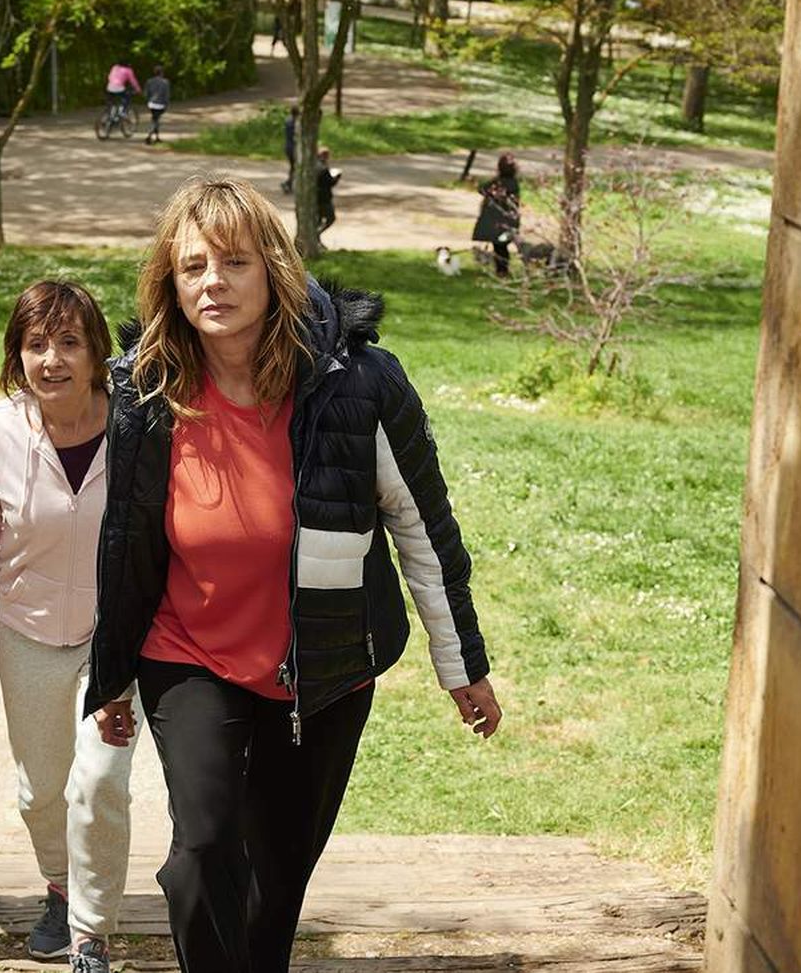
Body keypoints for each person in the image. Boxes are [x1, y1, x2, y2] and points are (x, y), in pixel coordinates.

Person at [84, 175, 502, 973]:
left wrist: (463, 667)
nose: (214, 282)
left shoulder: (359, 384)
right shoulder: (148, 388)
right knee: (203, 850)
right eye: (193, 266)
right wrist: (112, 675)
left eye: (234, 262)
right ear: (170, 282)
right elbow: (124, 542)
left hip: (323, 665)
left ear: (274, 268)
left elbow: (422, 525)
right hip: (189, 654)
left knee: (275, 885)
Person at [0, 281, 135, 973]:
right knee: (42, 792)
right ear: (16, 355)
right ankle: (59, 883)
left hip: (112, 644)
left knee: (103, 779)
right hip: (25, 636)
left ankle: (90, 930)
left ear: (95, 354)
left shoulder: (132, 427)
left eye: (68, 342)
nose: (51, 359)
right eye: (35, 344)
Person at [472, 152, 522, 277]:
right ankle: (502, 269)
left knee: (499, 247)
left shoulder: (497, 182)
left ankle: (501, 270)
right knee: (502, 246)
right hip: (506, 221)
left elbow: (481, 189)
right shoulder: (513, 183)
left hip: (495, 221)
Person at [315, 146, 341, 244]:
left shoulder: (313, 165)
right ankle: (317, 235)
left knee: (318, 221)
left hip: (315, 199)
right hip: (324, 199)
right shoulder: (323, 169)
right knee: (331, 218)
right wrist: (337, 177)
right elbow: (329, 183)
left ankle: (317, 240)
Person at [143, 66, 171, 146]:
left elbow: (146, 94)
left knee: (155, 119)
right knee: (156, 120)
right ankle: (149, 136)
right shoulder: (165, 82)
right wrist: (166, 104)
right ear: (162, 73)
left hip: (151, 103)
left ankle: (157, 137)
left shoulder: (149, 81)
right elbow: (167, 95)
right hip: (160, 104)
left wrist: (148, 100)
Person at [280, 106, 298, 193]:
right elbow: (296, 137)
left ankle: (289, 184)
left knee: (293, 167)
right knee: (295, 167)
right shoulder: (295, 123)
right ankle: (288, 183)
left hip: (288, 147)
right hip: (293, 148)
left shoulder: (288, 120)